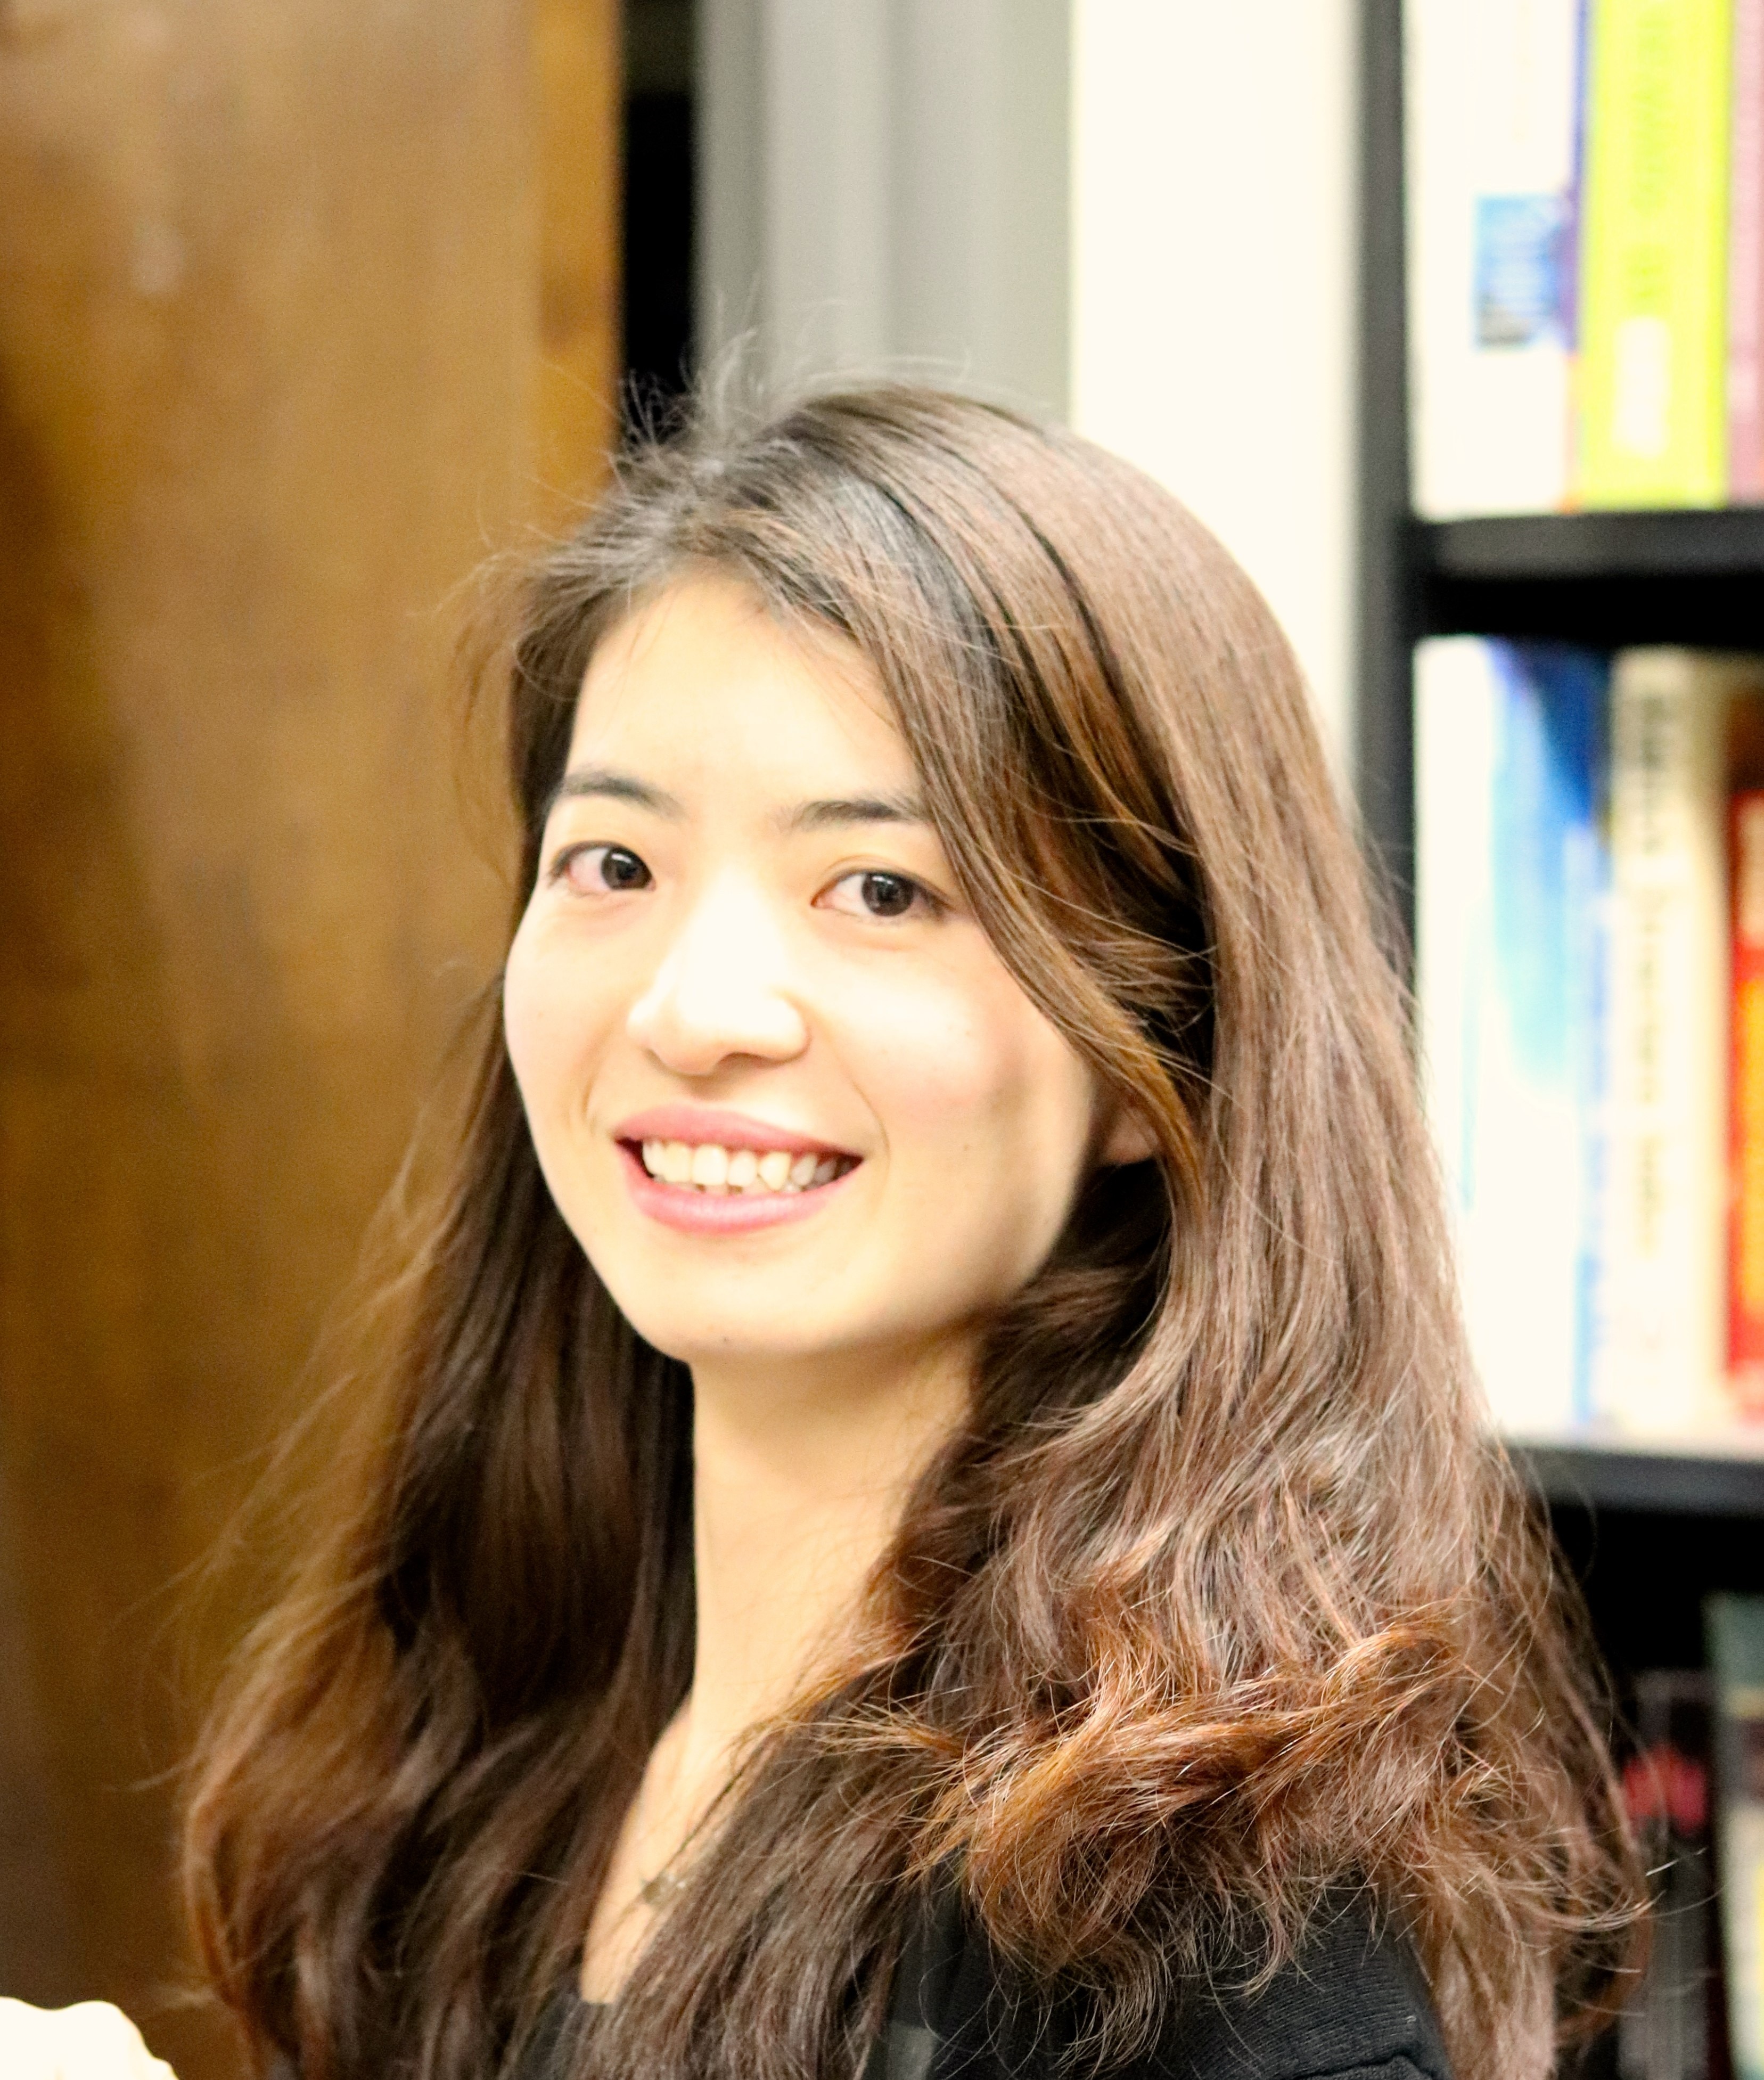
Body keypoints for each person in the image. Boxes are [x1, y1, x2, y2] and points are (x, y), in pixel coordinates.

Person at [6, 387, 1642, 2079]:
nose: (693, 1006)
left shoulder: (1215, 1934)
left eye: (879, 891)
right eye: (613, 863)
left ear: (1153, 1047)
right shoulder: (475, 1766)